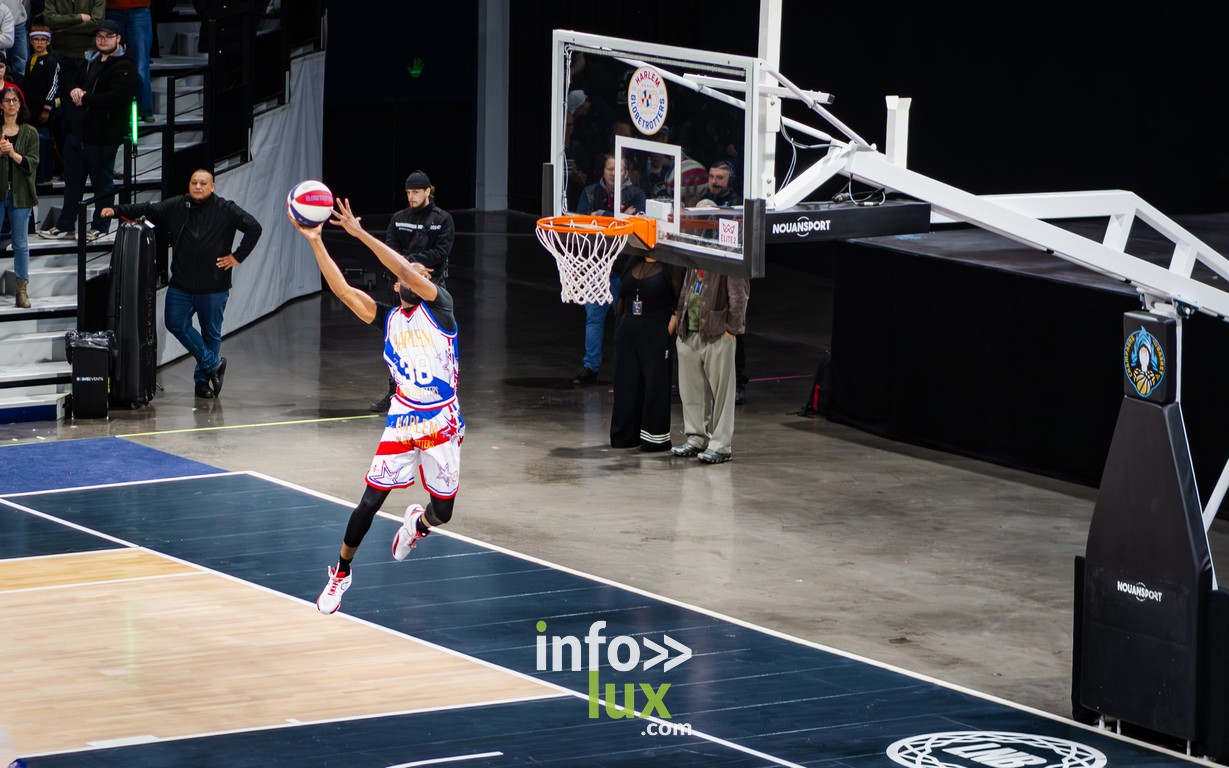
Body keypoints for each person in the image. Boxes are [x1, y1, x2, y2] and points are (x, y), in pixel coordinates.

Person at [289, 198, 463, 616]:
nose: (414, 274)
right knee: (370, 500)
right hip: (403, 417)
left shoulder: (441, 307)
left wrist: (359, 233)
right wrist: (315, 240)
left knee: (443, 512)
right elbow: (342, 290)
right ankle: (341, 571)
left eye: (421, 272)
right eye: (407, 274)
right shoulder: (388, 319)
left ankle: (418, 525)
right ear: (395, 287)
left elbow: (402, 266)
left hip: (442, 418)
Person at [100, 168, 262, 398]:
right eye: (194, 182)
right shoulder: (178, 205)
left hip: (214, 286)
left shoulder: (225, 209)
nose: (198, 187)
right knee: (174, 322)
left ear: (212, 187)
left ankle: (202, 382)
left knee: (210, 333)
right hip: (181, 285)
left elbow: (254, 227)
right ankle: (212, 363)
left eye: (203, 183)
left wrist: (237, 257)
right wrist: (116, 210)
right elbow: (148, 209)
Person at [38, 17, 132, 241]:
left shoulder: (125, 65)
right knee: (72, 183)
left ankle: (100, 226)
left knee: (102, 184)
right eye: (99, 36)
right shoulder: (90, 59)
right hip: (78, 132)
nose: (103, 40)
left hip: (104, 136)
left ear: (118, 39)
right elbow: (71, 81)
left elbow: (118, 98)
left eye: (108, 37)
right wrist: (74, 91)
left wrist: (86, 98)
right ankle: (66, 225)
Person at [368, 169, 454, 412]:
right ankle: (395, 391)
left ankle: (432, 388)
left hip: (430, 290)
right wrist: (406, 268)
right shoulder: (398, 218)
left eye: (416, 192)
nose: (411, 197)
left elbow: (441, 252)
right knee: (398, 340)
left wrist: (406, 265)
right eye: (408, 192)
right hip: (400, 289)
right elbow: (390, 249)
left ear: (428, 191)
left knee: (429, 341)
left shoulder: (442, 219)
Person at [572, 153, 645, 386]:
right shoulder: (589, 192)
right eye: (609, 168)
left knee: (626, 322)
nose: (613, 173)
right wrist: (619, 219)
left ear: (626, 173)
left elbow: (636, 225)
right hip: (596, 267)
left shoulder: (637, 194)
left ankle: (628, 368)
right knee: (593, 319)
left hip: (625, 268)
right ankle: (590, 367)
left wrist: (602, 216)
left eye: (618, 169)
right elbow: (582, 223)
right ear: (603, 171)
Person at [670, 266, 749, 464]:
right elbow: (686, 288)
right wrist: (681, 323)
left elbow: (739, 295)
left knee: (722, 392)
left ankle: (721, 445)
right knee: (691, 391)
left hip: (717, 332)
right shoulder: (694, 256)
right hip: (689, 331)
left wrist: (731, 330)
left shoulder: (727, 255)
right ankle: (696, 438)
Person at [610, 254, 680, 451]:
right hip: (627, 332)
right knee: (625, 385)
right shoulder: (632, 261)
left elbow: (678, 305)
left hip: (655, 332)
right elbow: (622, 297)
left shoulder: (670, 267)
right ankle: (625, 435)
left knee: (655, 386)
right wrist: (619, 328)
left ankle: (654, 438)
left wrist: (665, 334)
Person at [693, 159, 749, 404]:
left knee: (733, 327)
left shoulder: (737, 204)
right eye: (711, 177)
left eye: (720, 178)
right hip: (702, 270)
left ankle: (739, 383)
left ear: (729, 180)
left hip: (728, 271)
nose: (714, 182)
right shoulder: (700, 199)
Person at [0, 84, 39, 308]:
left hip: (21, 194)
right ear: (1, 105)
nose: (11, 104)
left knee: (20, 245)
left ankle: (21, 291)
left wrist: (13, 153)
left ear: (20, 104)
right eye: (7, 100)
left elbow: (32, 163)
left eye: (15, 100)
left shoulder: (30, 132)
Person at [103, 0, 151, 121]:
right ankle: (117, 110)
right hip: (112, 9)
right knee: (114, 62)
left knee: (141, 66)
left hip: (139, 8)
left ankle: (145, 110)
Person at [24, 24, 57, 184]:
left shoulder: (51, 61)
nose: (39, 43)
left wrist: (47, 109)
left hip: (45, 110)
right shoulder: (30, 59)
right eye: (36, 39)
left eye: (43, 40)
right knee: (31, 140)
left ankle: (47, 171)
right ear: (31, 41)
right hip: (30, 108)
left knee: (45, 140)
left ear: (48, 42)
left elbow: (53, 86)